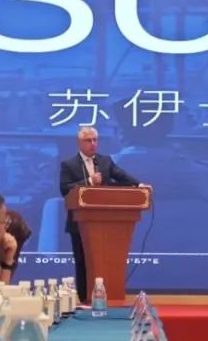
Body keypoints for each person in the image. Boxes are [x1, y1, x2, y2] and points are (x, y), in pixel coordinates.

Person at [59, 126, 147, 303]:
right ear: (79, 143)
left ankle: (111, 297)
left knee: (109, 261)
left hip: (107, 224)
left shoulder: (105, 161)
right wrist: (89, 182)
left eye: (95, 140)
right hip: (79, 223)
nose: (93, 144)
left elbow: (121, 176)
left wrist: (139, 185)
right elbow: (65, 188)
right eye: (88, 140)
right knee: (83, 261)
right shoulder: (69, 165)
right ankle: (85, 299)